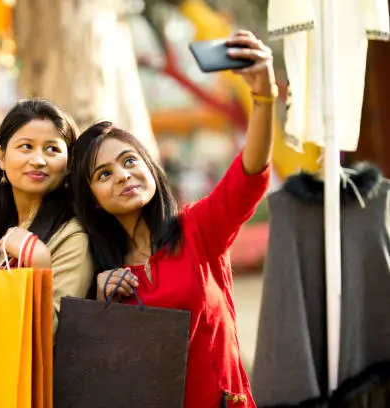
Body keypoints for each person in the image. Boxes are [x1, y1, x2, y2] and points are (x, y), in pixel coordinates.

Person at [69, 31, 275, 408]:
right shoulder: (99, 273)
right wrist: (100, 305)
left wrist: (264, 97)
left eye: (130, 161)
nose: (123, 175)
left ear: (150, 167)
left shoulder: (198, 229)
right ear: (93, 201)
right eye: (103, 174)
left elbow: (249, 176)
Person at [0, 98, 94, 333]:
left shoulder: (72, 235)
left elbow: (50, 334)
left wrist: (38, 260)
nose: (38, 160)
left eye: (52, 149)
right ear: (1, 157)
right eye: (26, 147)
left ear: (69, 162)